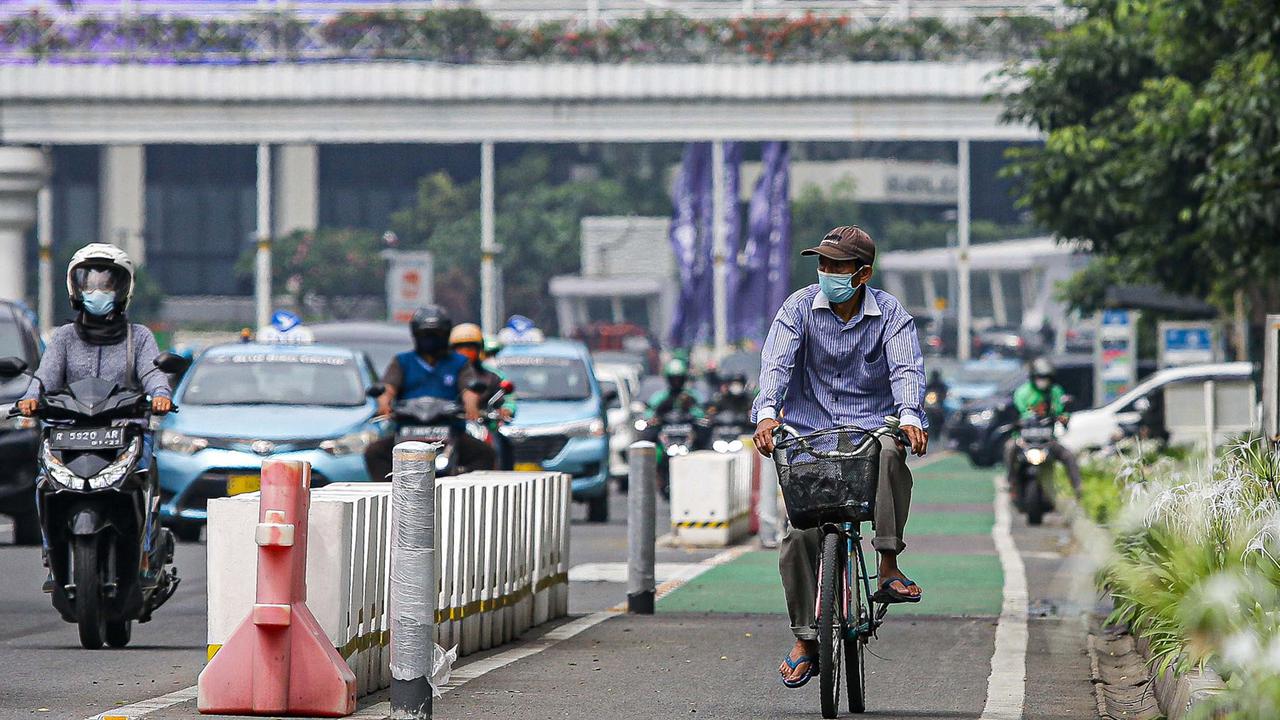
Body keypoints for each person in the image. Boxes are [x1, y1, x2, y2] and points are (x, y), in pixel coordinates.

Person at [750, 226, 928, 689]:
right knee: (798, 537)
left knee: (891, 450)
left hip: (869, 434)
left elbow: (906, 369)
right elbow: (776, 364)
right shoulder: (797, 309)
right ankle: (806, 638)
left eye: (838, 266)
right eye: (823, 264)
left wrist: (910, 416)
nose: (827, 272)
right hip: (810, 437)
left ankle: (887, 565)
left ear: (863, 274)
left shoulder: (891, 315)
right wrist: (767, 414)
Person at [17, 244, 173, 588]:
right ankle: (51, 554)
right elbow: (45, 376)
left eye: (106, 283)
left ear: (122, 289)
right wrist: (30, 398)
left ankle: (146, 553)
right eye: (89, 283)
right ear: (75, 288)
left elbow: (153, 373)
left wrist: (161, 395)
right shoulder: (63, 337)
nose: (97, 291)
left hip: (125, 432)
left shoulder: (139, 337)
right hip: (68, 433)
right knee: (44, 483)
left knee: (144, 476)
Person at [363, 305, 496, 481]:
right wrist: (384, 404)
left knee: (485, 453)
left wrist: (472, 407)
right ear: (416, 335)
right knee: (374, 453)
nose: (431, 339)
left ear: (446, 335)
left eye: (436, 334)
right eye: (425, 334)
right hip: (407, 429)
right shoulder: (402, 361)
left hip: (450, 429)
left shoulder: (459, 362)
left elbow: (468, 389)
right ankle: (389, 492)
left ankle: (467, 490)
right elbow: (388, 386)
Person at [1005, 357, 1082, 495]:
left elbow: (1061, 412)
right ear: (1033, 378)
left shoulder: (1056, 392)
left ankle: (1078, 489)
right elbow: (1018, 412)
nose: (1042, 381)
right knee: (1009, 448)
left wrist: (1063, 419)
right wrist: (1018, 421)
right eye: (1039, 378)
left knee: (1068, 455)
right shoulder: (1022, 392)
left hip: (1047, 439)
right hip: (1024, 439)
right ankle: (1011, 482)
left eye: (1045, 378)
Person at [449, 322, 516, 470]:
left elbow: (507, 399)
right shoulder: (445, 375)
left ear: (479, 349)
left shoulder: (493, 376)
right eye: (460, 348)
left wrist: (505, 409)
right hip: (451, 428)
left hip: (483, 426)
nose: (465, 352)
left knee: (501, 446)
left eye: (470, 348)